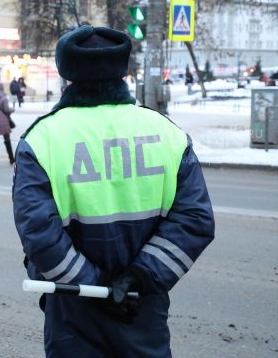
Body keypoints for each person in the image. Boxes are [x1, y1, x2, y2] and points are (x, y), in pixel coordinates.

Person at [13, 25, 215, 357]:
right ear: (123, 70)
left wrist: (95, 288)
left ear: (68, 74)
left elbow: (39, 233)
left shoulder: (42, 138)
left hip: (72, 304)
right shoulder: (166, 133)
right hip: (140, 305)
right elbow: (194, 220)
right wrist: (138, 278)